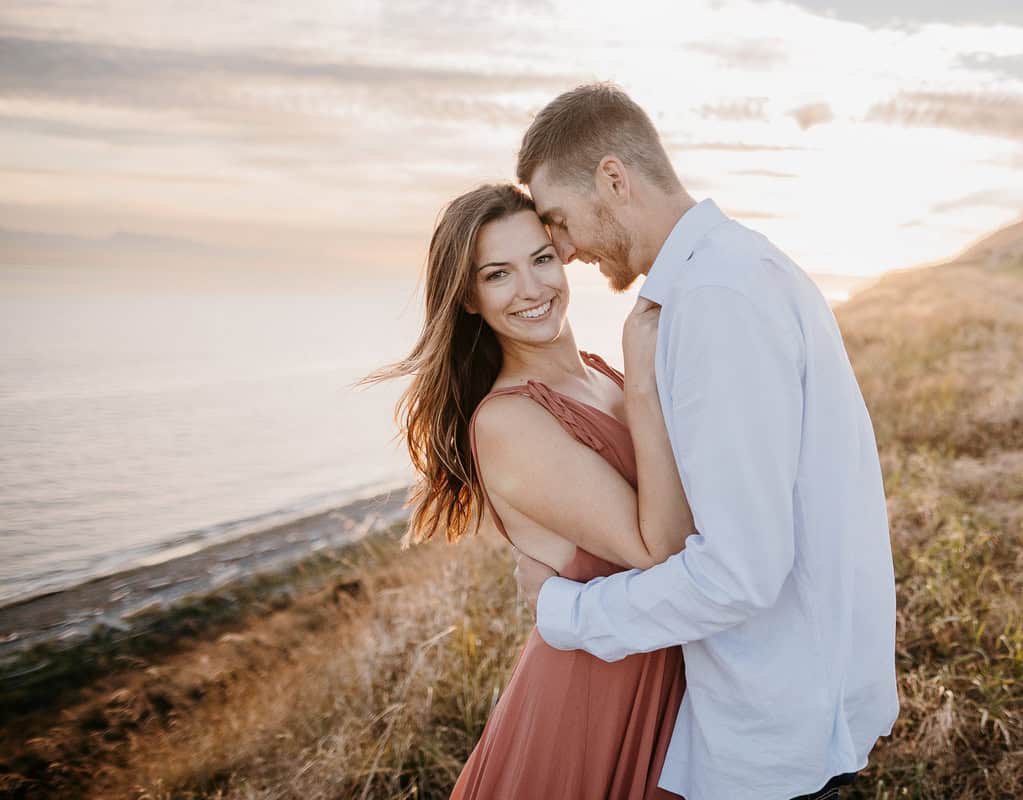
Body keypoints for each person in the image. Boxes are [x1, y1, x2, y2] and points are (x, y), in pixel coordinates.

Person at [512, 83, 900, 800]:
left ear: (615, 179)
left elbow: (739, 573)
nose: (562, 252)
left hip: (775, 732)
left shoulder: (716, 301)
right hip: (796, 701)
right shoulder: (735, 268)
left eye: (560, 223)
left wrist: (567, 613)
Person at [361, 182, 697, 799]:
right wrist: (646, 383)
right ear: (468, 297)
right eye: (498, 275)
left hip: (667, 669)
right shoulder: (508, 422)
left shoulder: (599, 374)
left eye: (541, 258)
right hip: (594, 700)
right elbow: (662, 551)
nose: (533, 289)